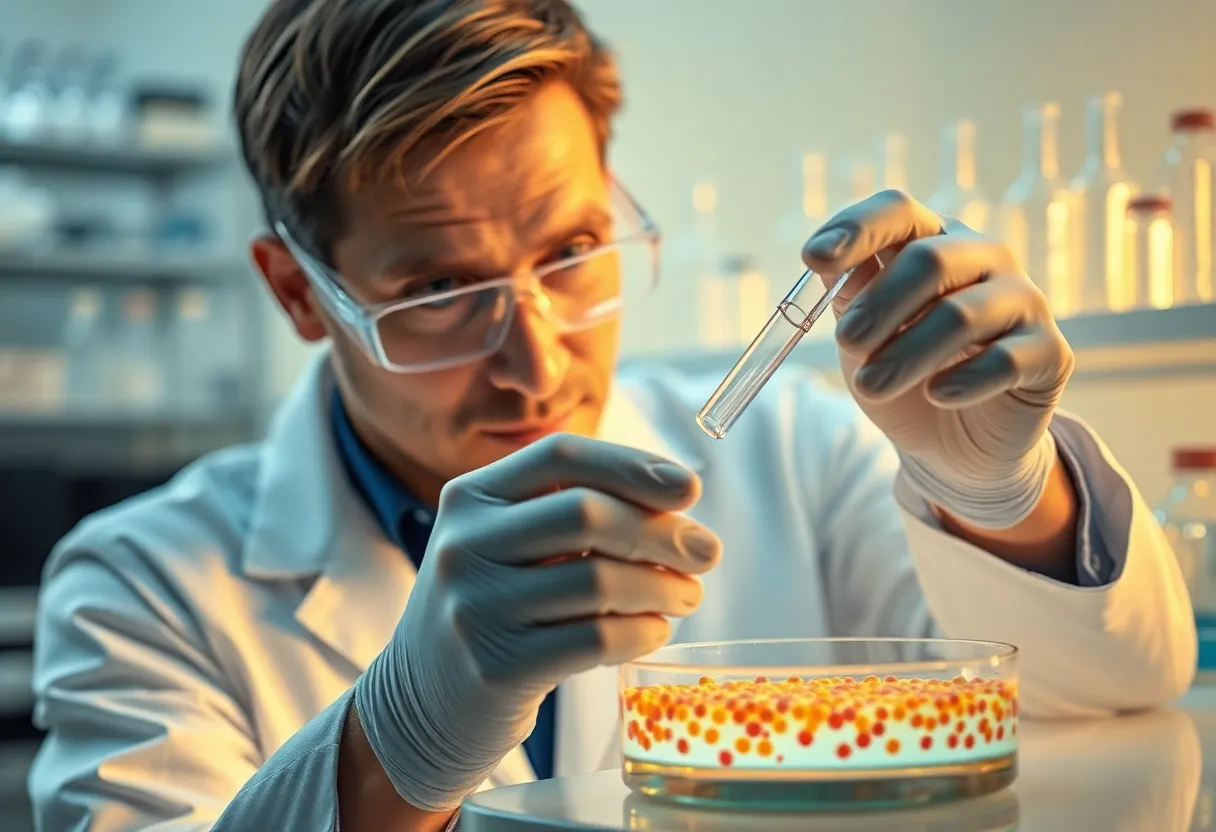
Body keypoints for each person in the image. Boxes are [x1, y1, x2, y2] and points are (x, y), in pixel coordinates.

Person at [27, 0, 1195, 829]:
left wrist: (1005, 495)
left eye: (574, 251)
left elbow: (1118, 705)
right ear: (297, 291)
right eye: (438, 291)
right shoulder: (141, 585)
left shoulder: (798, 452)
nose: (535, 364)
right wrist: (405, 733)